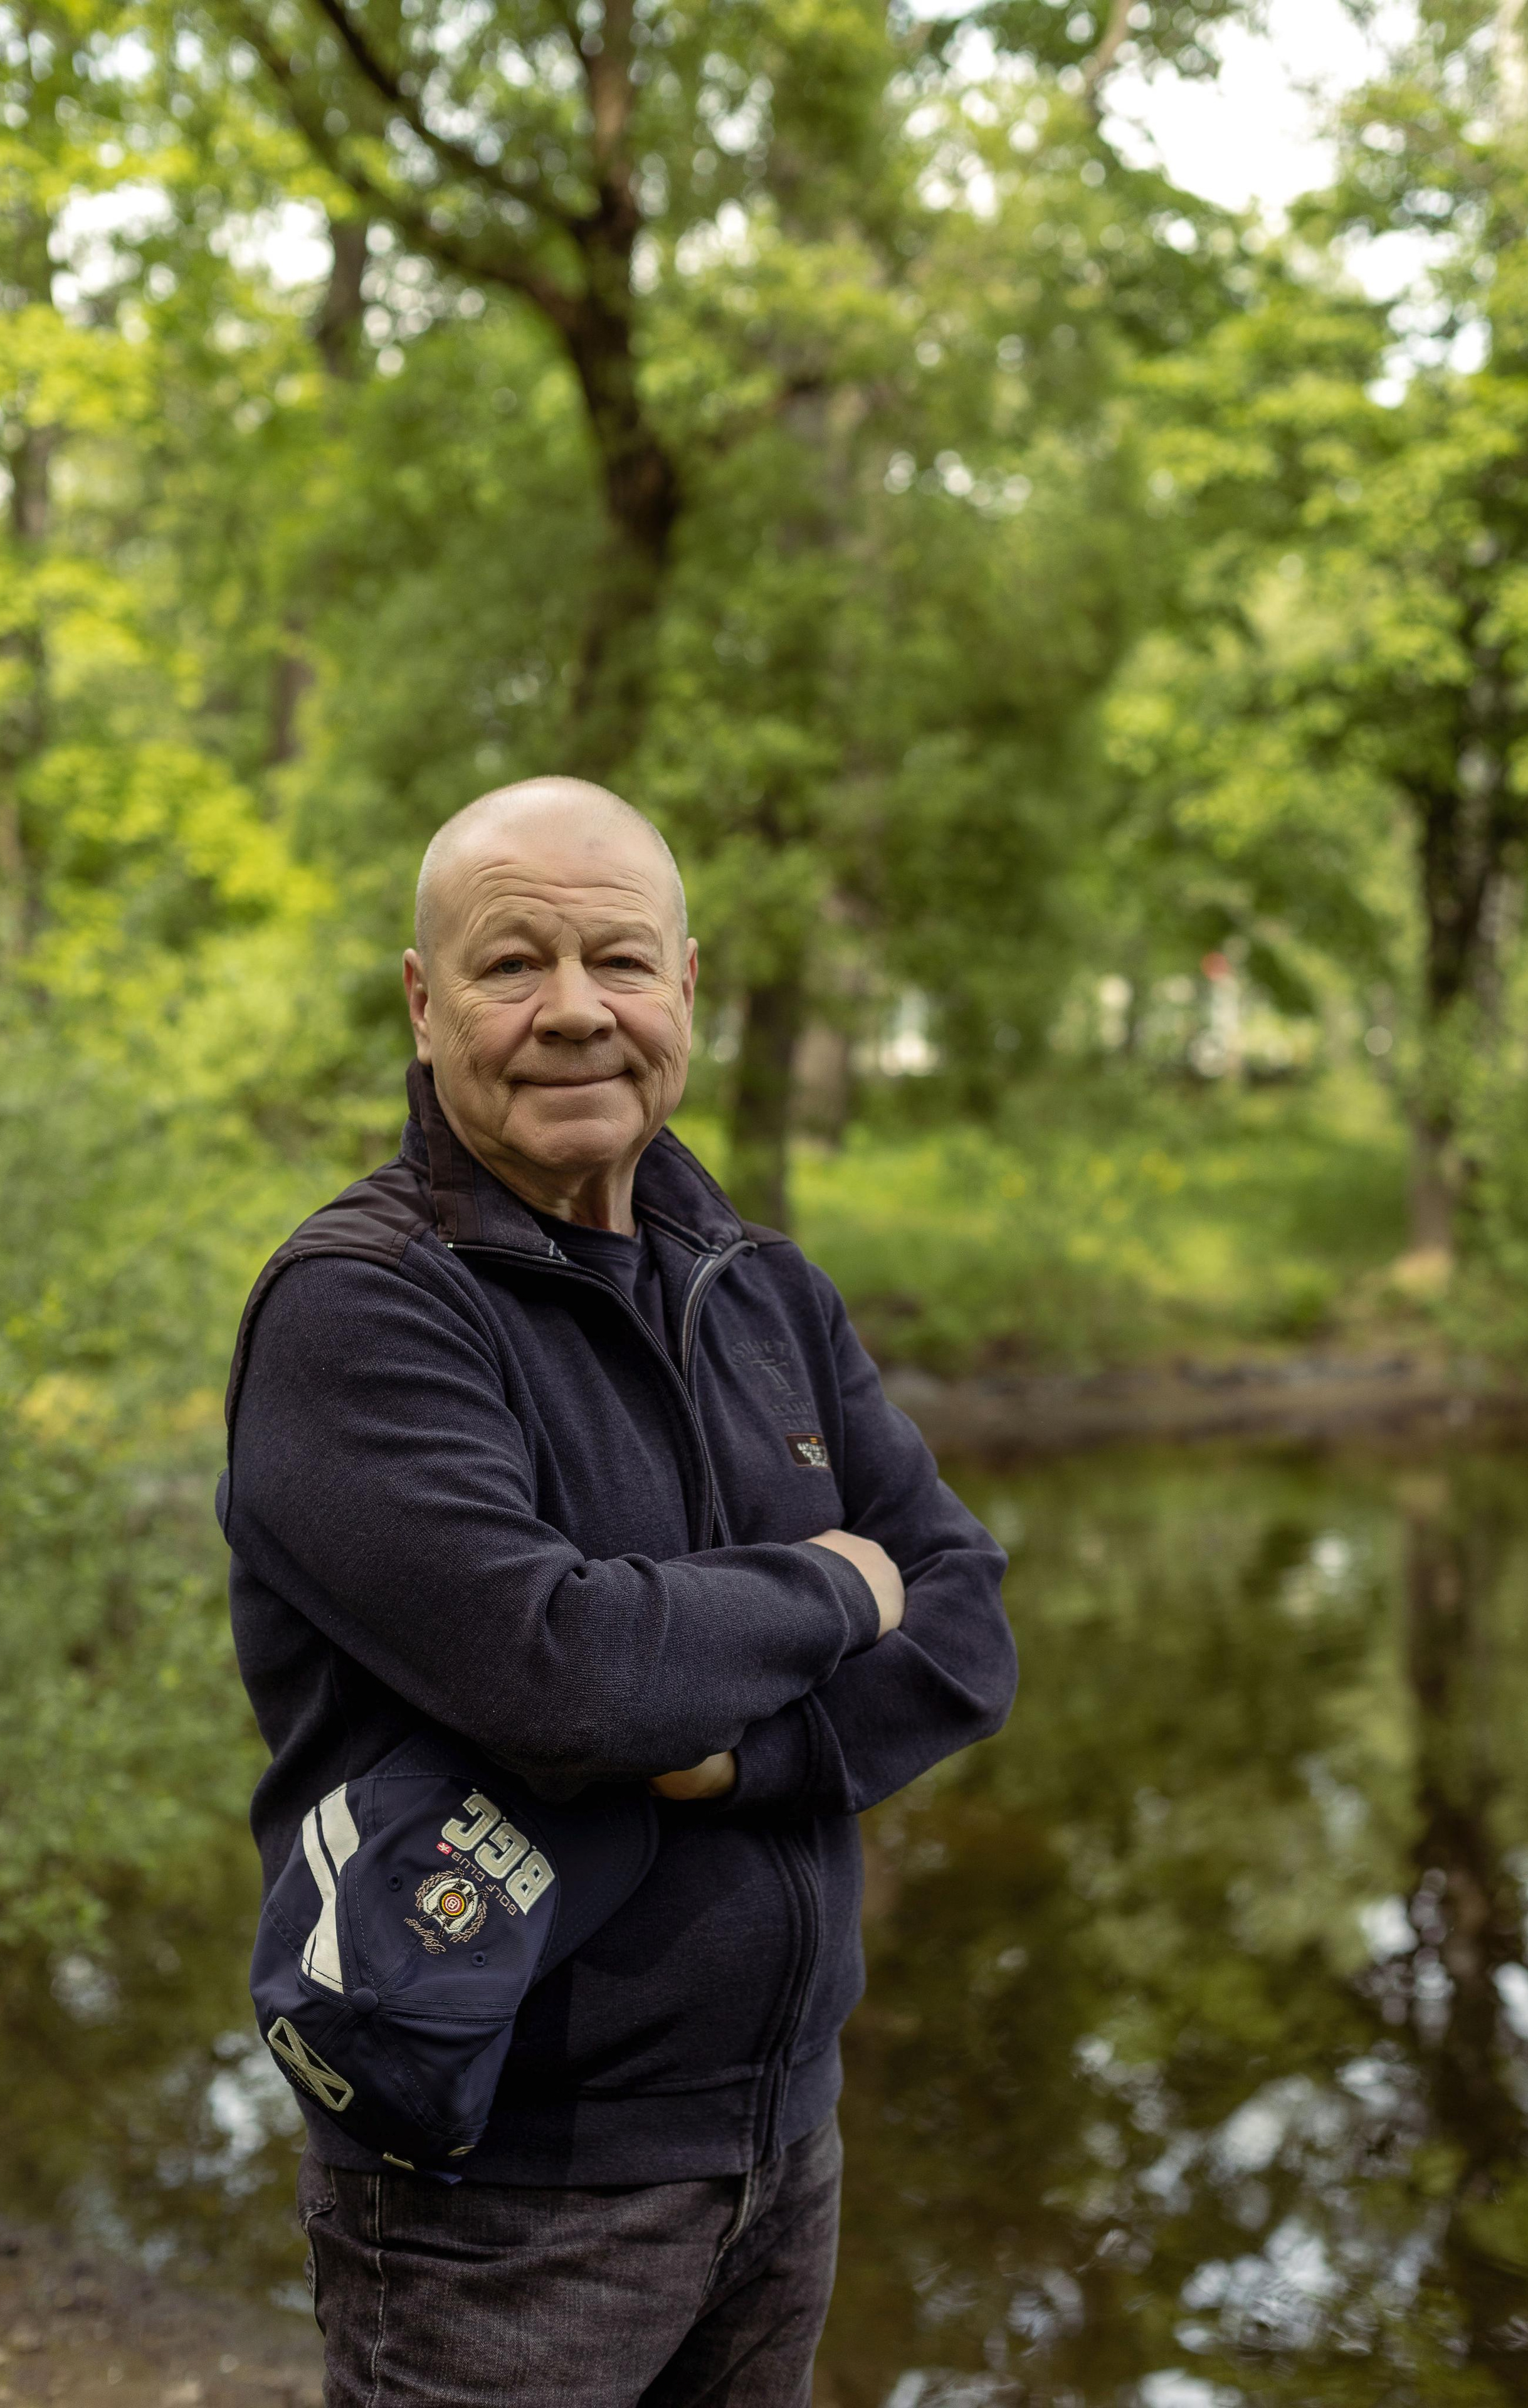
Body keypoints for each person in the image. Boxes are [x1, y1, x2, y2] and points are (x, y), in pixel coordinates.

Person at [219, 775, 1016, 2408]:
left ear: (689, 991)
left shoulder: (763, 1287)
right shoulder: (360, 1309)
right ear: (425, 1005)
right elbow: (569, 1676)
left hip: (783, 2143)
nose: (576, 1012)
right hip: (496, 2193)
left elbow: (968, 1625)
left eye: (622, 962)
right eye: (515, 966)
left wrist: (746, 1752)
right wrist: (827, 1576)